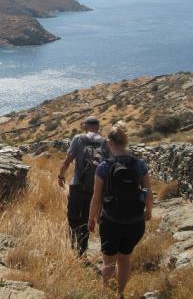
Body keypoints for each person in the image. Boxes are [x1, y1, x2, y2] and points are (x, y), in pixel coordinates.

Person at [88, 121, 153, 299]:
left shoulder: (103, 167)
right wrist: (148, 211)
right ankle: (121, 294)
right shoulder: (139, 164)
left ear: (110, 143)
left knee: (108, 261)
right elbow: (148, 191)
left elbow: (96, 198)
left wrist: (91, 219)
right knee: (124, 259)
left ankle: (105, 293)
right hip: (135, 222)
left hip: (111, 221)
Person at [58, 116, 109, 256]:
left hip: (77, 185)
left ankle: (74, 246)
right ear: (98, 127)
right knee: (87, 217)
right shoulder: (105, 142)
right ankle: (82, 249)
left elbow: (67, 161)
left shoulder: (78, 139)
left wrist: (61, 176)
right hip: (95, 188)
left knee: (73, 217)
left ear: (85, 126)